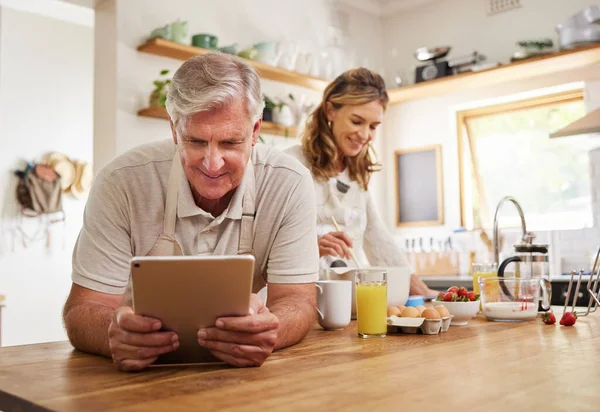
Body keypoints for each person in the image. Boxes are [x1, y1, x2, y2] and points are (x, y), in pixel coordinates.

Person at [62, 53, 320, 371]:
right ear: (174, 129)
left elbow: (298, 300)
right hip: (138, 378)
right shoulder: (121, 183)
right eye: (195, 141)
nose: (212, 163)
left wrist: (270, 329)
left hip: (240, 377)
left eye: (229, 142)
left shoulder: (288, 183)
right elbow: (84, 309)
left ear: (255, 131)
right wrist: (112, 334)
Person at [284, 67, 437, 297]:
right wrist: (310, 247)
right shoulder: (291, 165)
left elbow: (377, 237)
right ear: (330, 111)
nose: (366, 135)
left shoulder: (356, 176)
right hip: (300, 300)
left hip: (351, 302)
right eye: (357, 121)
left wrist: (427, 294)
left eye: (373, 126)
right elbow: (266, 244)